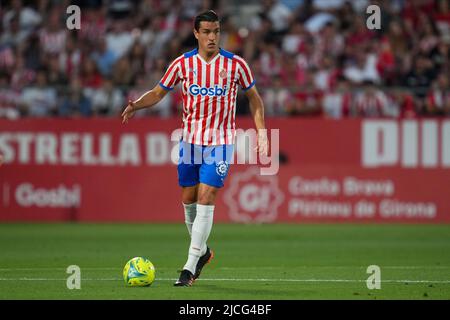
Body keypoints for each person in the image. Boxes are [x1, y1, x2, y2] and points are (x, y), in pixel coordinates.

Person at [121, 10, 268, 287]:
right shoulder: (182, 64)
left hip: (222, 140)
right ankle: (203, 252)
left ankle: (188, 267)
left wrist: (261, 132)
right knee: (188, 198)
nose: (212, 37)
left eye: (216, 31)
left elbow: (255, 99)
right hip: (190, 140)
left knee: (207, 195)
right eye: (207, 32)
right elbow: (158, 92)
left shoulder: (236, 65)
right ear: (196, 34)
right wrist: (136, 104)